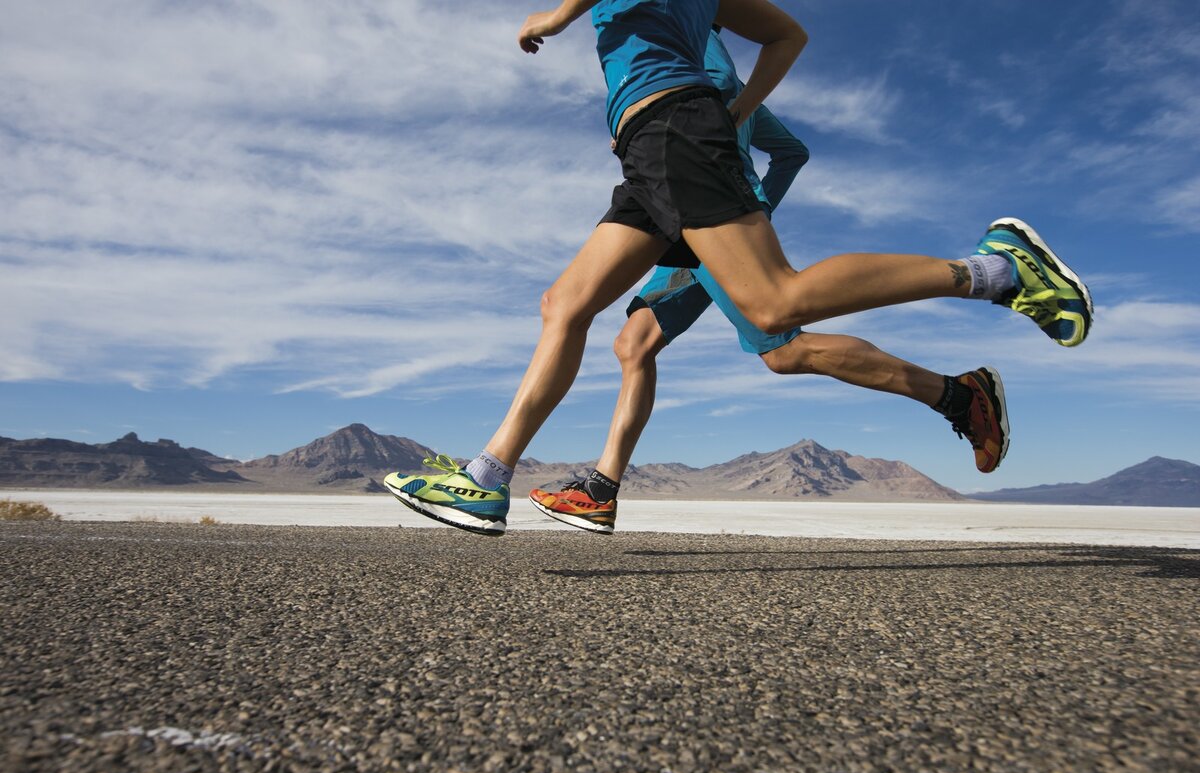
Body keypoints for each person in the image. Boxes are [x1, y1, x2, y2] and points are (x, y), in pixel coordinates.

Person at [383, 0, 1092, 536]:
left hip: (675, 138)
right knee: (566, 304)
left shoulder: (699, 53)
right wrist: (735, 117)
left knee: (776, 307)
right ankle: (489, 475)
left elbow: (779, 78)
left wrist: (554, 18)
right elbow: (789, 35)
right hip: (654, 153)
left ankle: (996, 271)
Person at [527, 27, 1003, 534]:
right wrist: (757, 197)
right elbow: (790, 150)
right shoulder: (687, 50)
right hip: (683, 222)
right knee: (634, 343)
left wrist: (737, 205)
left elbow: (722, 85)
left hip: (706, 209)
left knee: (784, 348)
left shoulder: (688, 38)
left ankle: (958, 392)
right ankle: (602, 489)